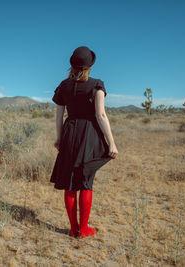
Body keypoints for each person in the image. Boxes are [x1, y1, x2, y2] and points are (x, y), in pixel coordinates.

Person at [50, 46, 118, 238]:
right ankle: (84, 229)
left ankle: (73, 229)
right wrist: (111, 142)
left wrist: (59, 137)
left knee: (70, 182)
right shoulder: (97, 84)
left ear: (71, 64)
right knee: (85, 181)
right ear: (90, 65)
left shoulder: (63, 85)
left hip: (70, 133)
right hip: (89, 135)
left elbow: (58, 116)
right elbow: (101, 114)